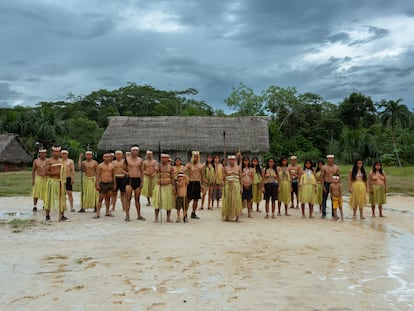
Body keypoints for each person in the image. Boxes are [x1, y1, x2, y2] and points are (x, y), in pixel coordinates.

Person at [44, 146, 67, 221]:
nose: (56, 153)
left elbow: (64, 172)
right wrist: (55, 173)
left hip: (60, 182)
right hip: (52, 182)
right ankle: (47, 215)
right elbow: (46, 172)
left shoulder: (62, 161)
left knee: (62, 198)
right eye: (55, 151)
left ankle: (62, 215)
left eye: (58, 151)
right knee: (49, 198)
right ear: (52, 152)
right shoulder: (49, 161)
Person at [152, 153, 175, 223]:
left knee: (169, 202)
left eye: (166, 158)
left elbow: (172, 177)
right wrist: (157, 168)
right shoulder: (158, 166)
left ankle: (168, 217)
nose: (164, 159)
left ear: (168, 159)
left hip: (168, 186)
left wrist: (173, 186)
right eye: (163, 158)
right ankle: (156, 217)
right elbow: (154, 170)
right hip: (159, 186)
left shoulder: (171, 167)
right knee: (158, 202)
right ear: (161, 158)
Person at [125, 146, 145, 222]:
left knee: (137, 199)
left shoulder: (140, 160)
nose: (135, 151)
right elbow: (123, 169)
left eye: (137, 150)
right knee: (128, 198)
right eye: (134, 150)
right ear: (131, 151)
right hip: (129, 180)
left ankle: (139, 215)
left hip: (137, 179)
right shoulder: (126, 160)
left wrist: (142, 181)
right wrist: (126, 173)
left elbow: (142, 171)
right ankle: (127, 215)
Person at [95, 153, 116, 218]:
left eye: (108, 157)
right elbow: (97, 176)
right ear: (103, 158)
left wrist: (115, 184)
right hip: (103, 183)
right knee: (100, 199)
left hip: (110, 183)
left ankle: (107, 212)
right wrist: (97, 184)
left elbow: (113, 176)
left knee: (108, 198)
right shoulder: (100, 166)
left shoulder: (112, 166)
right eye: (105, 157)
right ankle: (98, 213)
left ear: (110, 158)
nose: (107, 158)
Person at [222, 155, 242, 222]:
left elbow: (241, 178)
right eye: (230, 160)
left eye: (232, 160)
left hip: (236, 185)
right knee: (227, 199)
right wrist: (224, 174)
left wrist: (241, 187)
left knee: (236, 200)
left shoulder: (238, 168)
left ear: (235, 160)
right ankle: (227, 215)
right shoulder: (225, 168)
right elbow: (223, 178)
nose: (231, 161)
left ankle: (237, 215)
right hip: (228, 185)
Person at [185, 151, 204, 219]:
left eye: (197, 157)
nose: (195, 158)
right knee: (188, 199)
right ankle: (185, 213)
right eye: (194, 156)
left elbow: (202, 176)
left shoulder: (200, 166)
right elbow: (183, 171)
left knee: (196, 200)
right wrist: (186, 178)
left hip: (197, 183)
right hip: (190, 183)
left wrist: (202, 185)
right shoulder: (189, 165)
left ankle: (193, 213)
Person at [320, 155, 340, 219]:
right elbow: (322, 177)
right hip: (326, 183)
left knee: (334, 199)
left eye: (331, 159)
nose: (330, 160)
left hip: (334, 184)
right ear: (327, 159)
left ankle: (333, 213)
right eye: (329, 159)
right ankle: (323, 213)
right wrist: (323, 186)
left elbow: (338, 176)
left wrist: (339, 186)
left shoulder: (336, 167)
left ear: (333, 159)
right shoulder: (324, 167)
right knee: (324, 199)